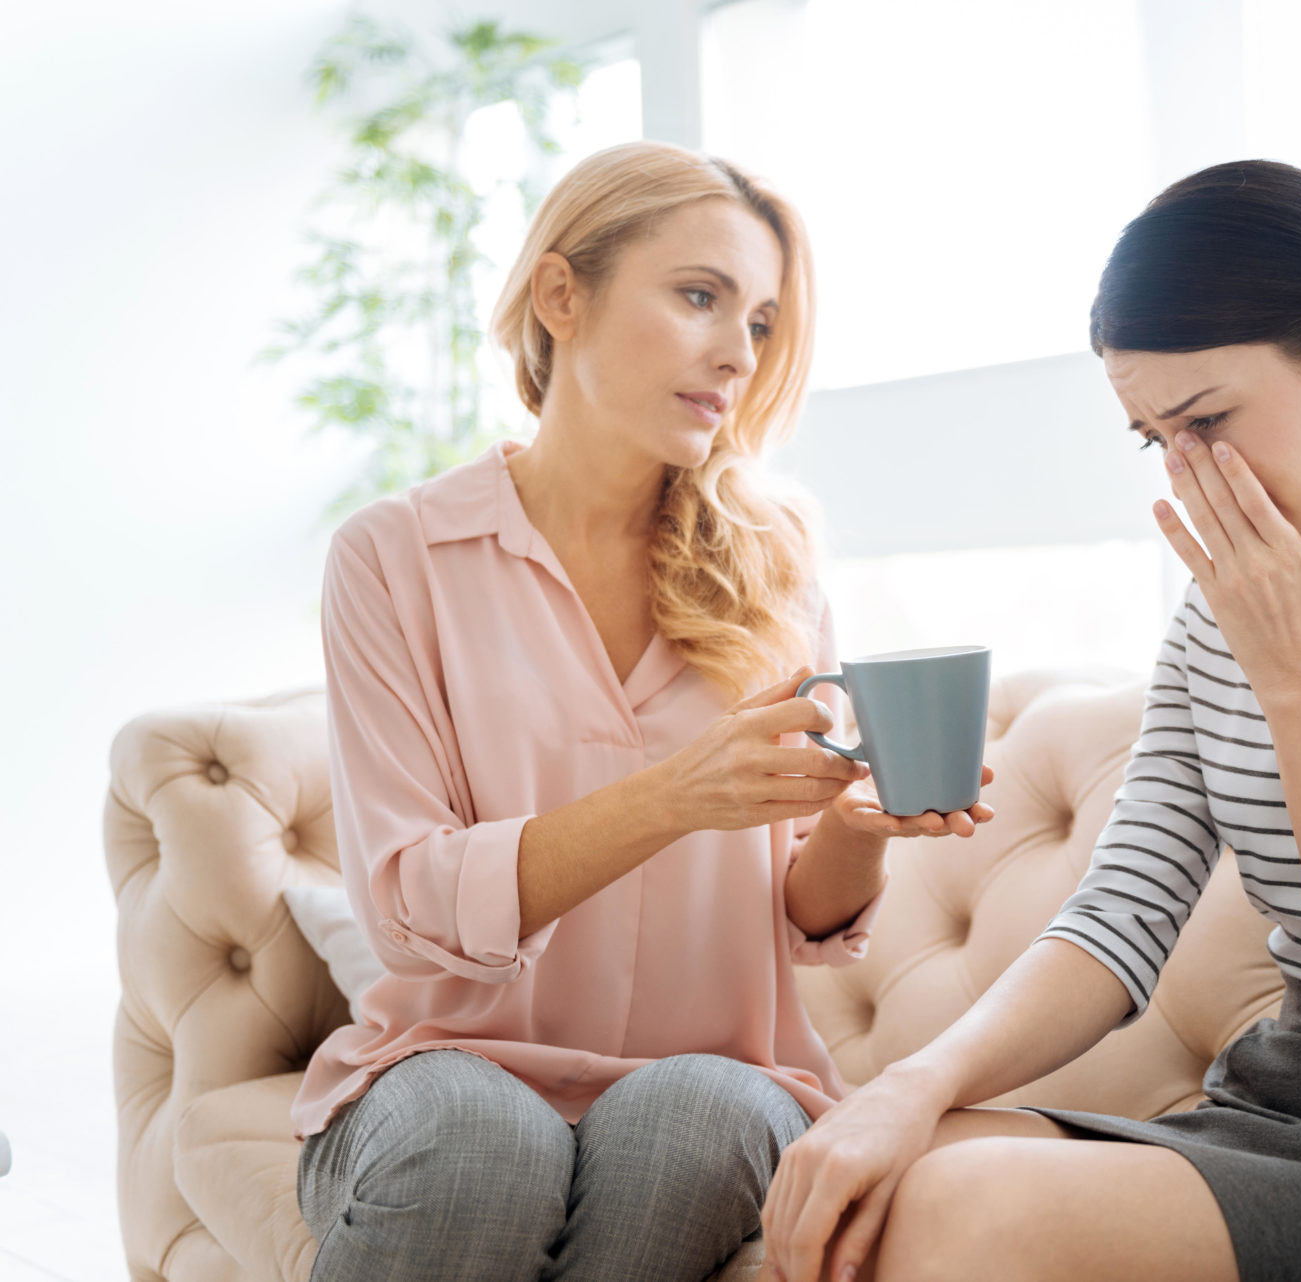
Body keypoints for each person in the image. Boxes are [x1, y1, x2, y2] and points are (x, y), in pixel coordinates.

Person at [757, 160, 1301, 1282]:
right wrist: (907, 1084)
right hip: (1270, 1115)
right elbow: (1121, 917)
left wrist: (1297, 682)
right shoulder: (1218, 612)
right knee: (870, 1176)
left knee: (971, 1212)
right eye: (1154, 441)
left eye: (1209, 419)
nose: (1189, 479)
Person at [289, 139, 993, 1282]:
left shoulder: (776, 564)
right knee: (481, 1141)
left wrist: (857, 832)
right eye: (700, 296)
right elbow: (409, 904)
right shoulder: (395, 556)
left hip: (716, 1074)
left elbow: (800, 914)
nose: (736, 352)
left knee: (698, 1119)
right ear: (561, 294)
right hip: (446, 1067)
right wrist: (673, 797)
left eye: (759, 320)